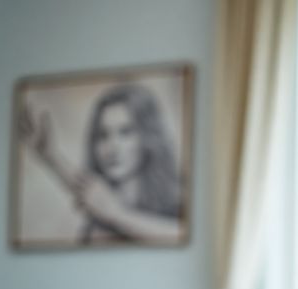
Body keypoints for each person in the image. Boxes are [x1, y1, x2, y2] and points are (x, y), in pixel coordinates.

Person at [21, 83, 183, 244]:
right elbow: (86, 188)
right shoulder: (101, 207)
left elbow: (181, 235)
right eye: (103, 135)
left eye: (125, 132)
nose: (112, 147)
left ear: (148, 136)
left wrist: (117, 214)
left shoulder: (175, 202)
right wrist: (50, 156)